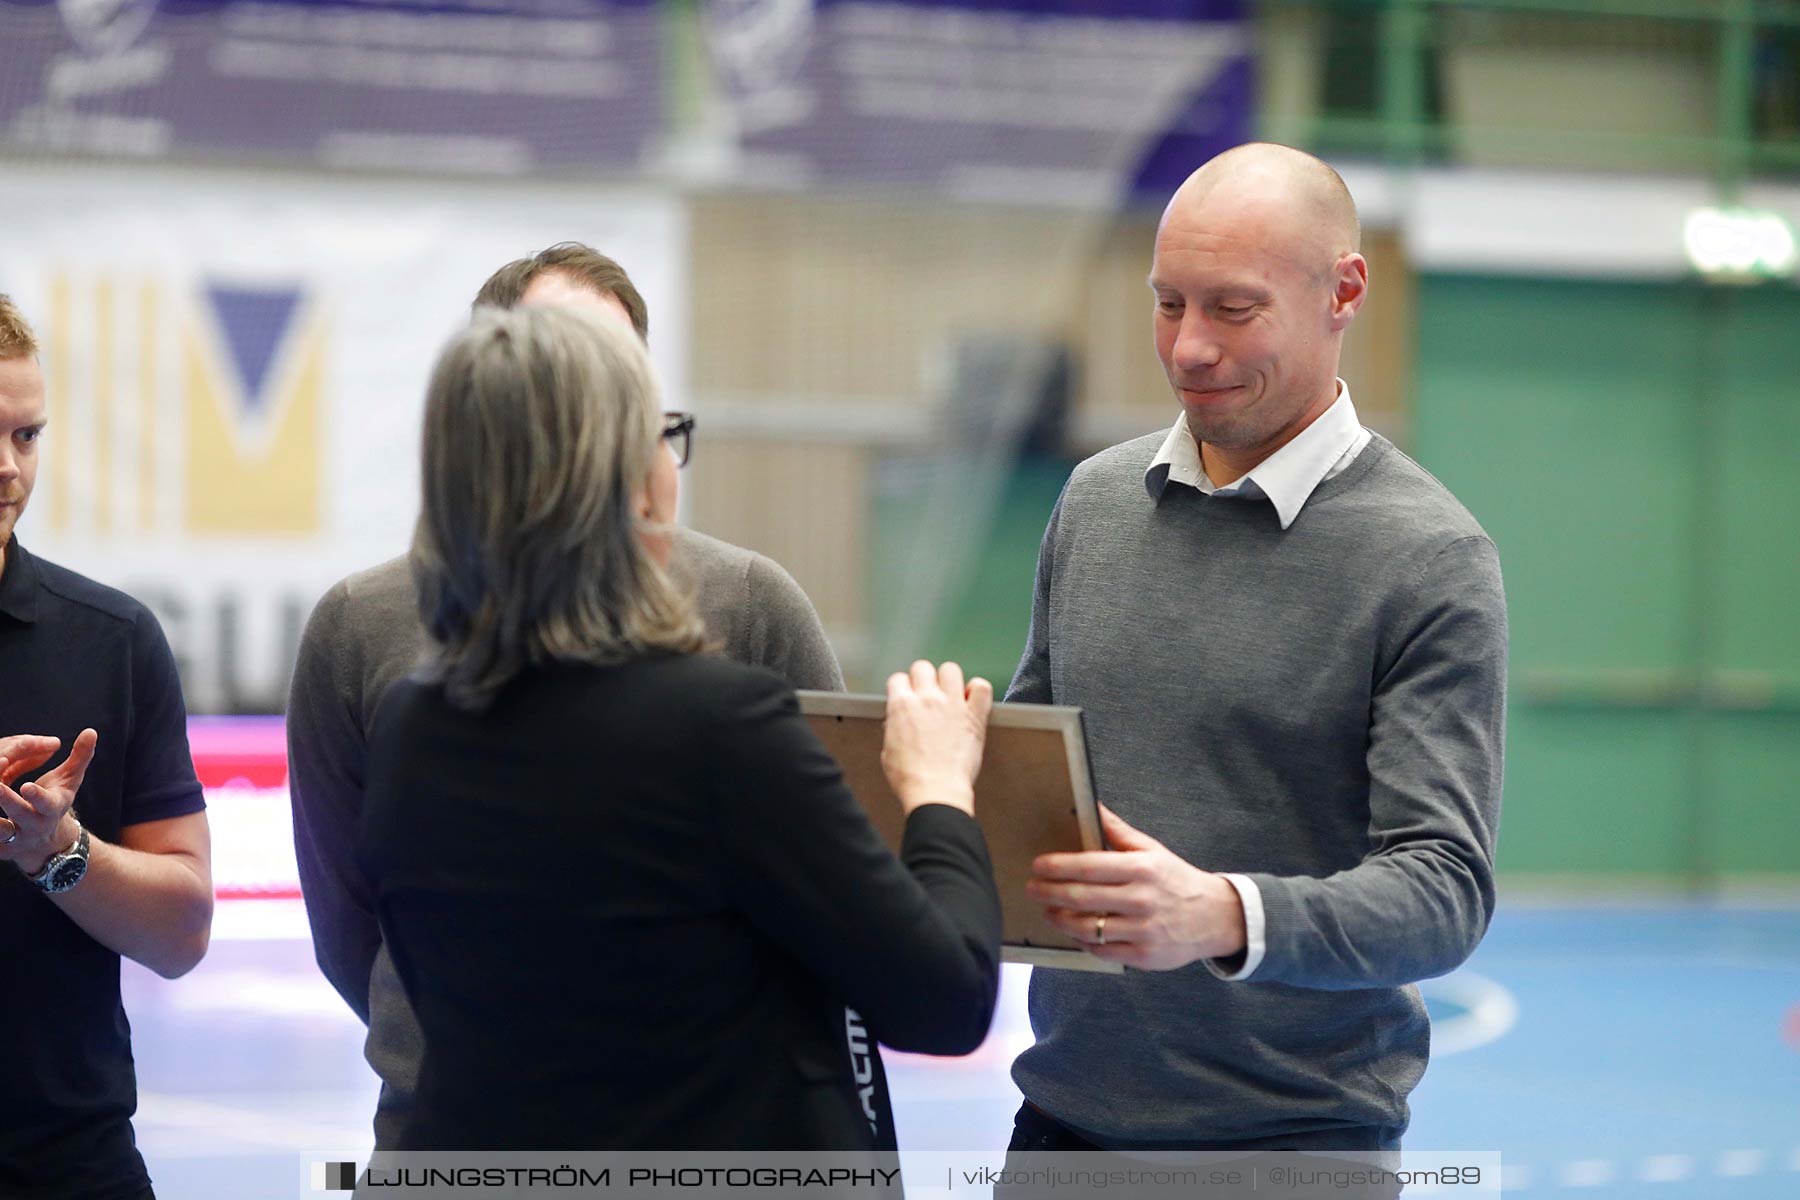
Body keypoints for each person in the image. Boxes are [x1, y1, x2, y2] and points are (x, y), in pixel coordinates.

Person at [360, 304, 1001, 1148]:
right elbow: (945, 999)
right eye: (661, 435)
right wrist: (940, 792)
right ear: (624, 485)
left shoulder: (413, 722)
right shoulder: (716, 729)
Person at [1007, 143, 1507, 1153]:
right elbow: (1033, 783)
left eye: (1233, 310)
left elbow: (1443, 888)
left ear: (1344, 292)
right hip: (1061, 1130)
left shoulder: (1429, 557)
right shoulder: (1095, 504)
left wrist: (1221, 914)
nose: (1189, 347)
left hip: (1295, 1147)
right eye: (1167, 303)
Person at [287, 243, 845, 1147]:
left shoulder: (751, 606)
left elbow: (842, 913)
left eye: (616, 381)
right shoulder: (361, 626)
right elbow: (351, 924)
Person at [0, 294, 214, 1199]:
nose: (10, 469)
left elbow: (182, 933)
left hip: (68, 1167)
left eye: (28, 435)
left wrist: (58, 851)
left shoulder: (112, 642)